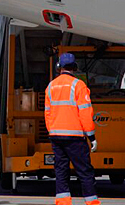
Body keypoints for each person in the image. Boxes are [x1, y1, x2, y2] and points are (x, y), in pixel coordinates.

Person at [45, 53, 100, 205]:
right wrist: (92, 136)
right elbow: (85, 113)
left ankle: (63, 201)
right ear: (75, 68)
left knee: (61, 170)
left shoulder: (51, 86)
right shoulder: (79, 85)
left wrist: (53, 130)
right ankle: (91, 202)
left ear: (59, 68)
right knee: (84, 171)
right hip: (75, 137)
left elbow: (47, 113)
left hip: (56, 135)